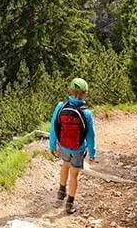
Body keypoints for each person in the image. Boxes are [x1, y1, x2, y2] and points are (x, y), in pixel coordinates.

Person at [49, 77, 96, 214]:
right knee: (74, 175)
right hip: (78, 148)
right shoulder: (86, 113)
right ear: (85, 93)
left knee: (65, 165)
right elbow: (90, 135)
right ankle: (69, 203)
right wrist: (92, 153)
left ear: (69, 90)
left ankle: (61, 191)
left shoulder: (60, 106)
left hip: (63, 145)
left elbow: (53, 126)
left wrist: (52, 145)